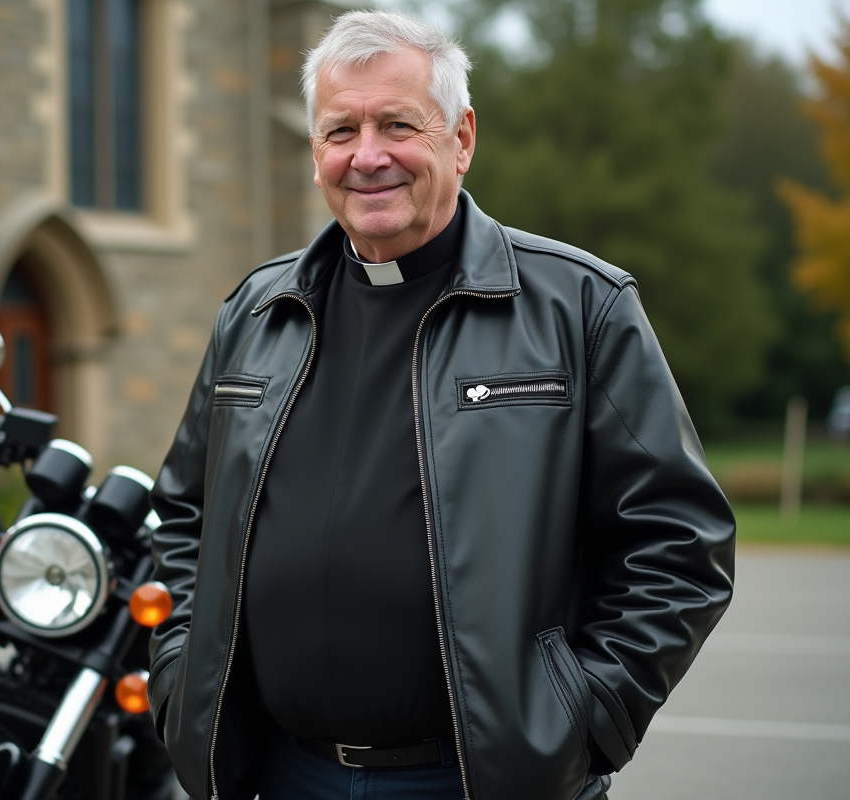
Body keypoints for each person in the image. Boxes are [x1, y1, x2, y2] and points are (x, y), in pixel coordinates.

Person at [146, 10, 735, 800]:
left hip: (478, 781)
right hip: (284, 774)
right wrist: (179, 674)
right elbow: (183, 516)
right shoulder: (256, 314)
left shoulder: (579, 306)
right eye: (340, 131)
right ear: (316, 153)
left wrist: (586, 717)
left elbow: (680, 540)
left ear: (461, 139)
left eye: (397, 124)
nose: (368, 156)